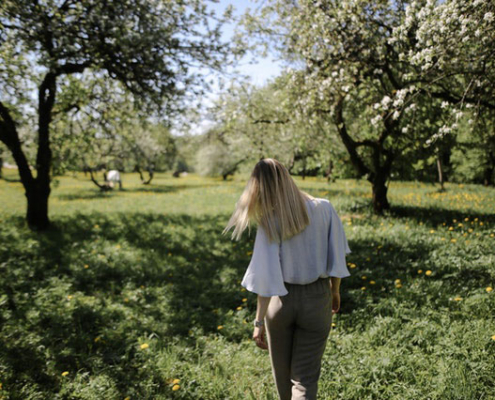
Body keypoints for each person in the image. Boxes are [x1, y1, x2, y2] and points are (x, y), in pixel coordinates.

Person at [223, 158, 352, 400]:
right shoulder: (324, 208)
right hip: (317, 298)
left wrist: (258, 322)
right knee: (304, 381)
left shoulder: (270, 221)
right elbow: (337, 257)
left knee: (282, 379)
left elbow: (265, 277)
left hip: (280, 303)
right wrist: (335, 290)